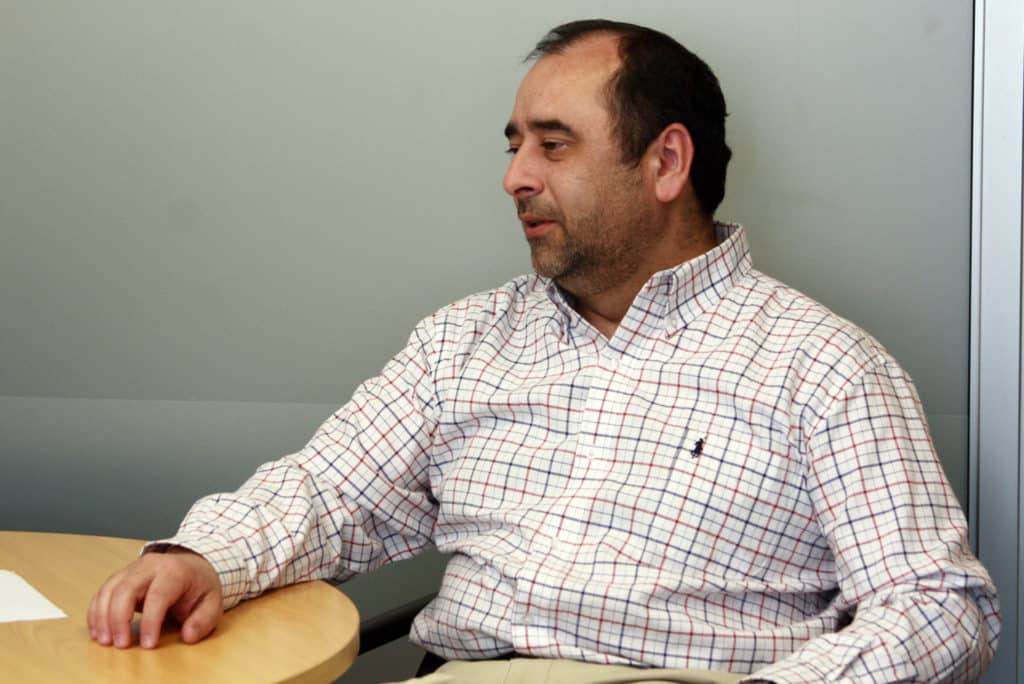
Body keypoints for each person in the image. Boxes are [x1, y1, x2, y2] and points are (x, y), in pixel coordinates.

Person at [87, 19, 999, 683]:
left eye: (553, 146)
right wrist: (202, 558)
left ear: (666, 163)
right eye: (516, 145)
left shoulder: (824, 367)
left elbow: (938, 608)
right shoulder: (465, 341)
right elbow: (328, 494)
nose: (514, 176)